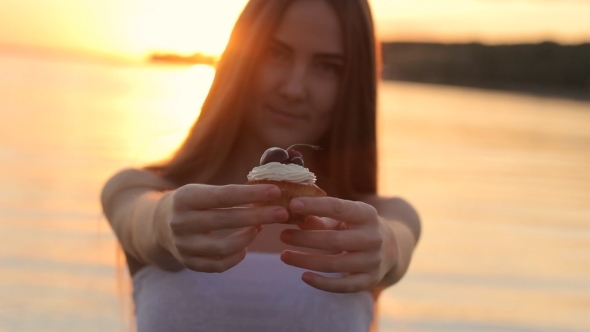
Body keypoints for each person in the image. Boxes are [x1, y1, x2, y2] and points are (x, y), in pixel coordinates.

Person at [101, 0, 421, 331]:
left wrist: (386, 247)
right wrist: (162, 222)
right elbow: (139, 218)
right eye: (275, 53)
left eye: (327, 67)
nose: (294, 88)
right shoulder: (135, 190)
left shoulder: (375, 220)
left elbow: (397, 245)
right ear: (240, 57)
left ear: (351, 85)